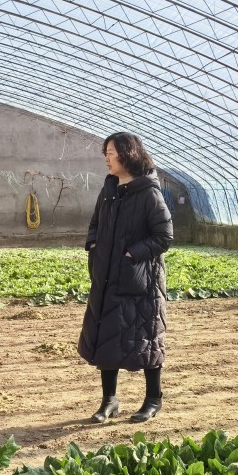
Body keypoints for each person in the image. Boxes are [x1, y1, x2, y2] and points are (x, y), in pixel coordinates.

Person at [77, 132, 172, 424]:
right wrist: (94, 245)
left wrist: (131, 255)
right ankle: (109, 400)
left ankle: (153, 398)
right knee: (106, 335)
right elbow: (94, 224)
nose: (106, 158)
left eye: (111, 153)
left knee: (147, 338)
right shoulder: (109, 190)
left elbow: (164, 236)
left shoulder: (148, 193)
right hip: (107, 277)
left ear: (127, 154)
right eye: (105, 153)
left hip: (140, 282)